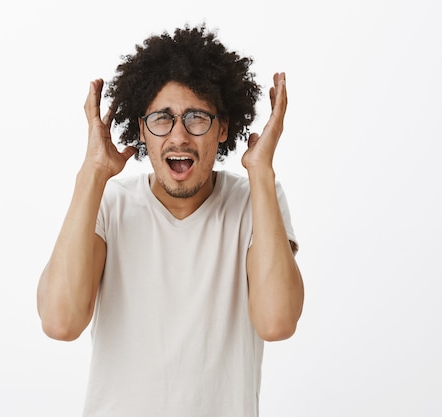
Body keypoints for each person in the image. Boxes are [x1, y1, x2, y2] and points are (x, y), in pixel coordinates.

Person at [37, 23, 304, 417]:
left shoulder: (255, 201)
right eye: (162, 118)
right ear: (142, 130)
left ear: (223, 128)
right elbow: (60, 322)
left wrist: (261, 171)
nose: (178, 135)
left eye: (197, 117)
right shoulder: (110, 204)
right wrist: (92, 172)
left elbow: (277, 321)